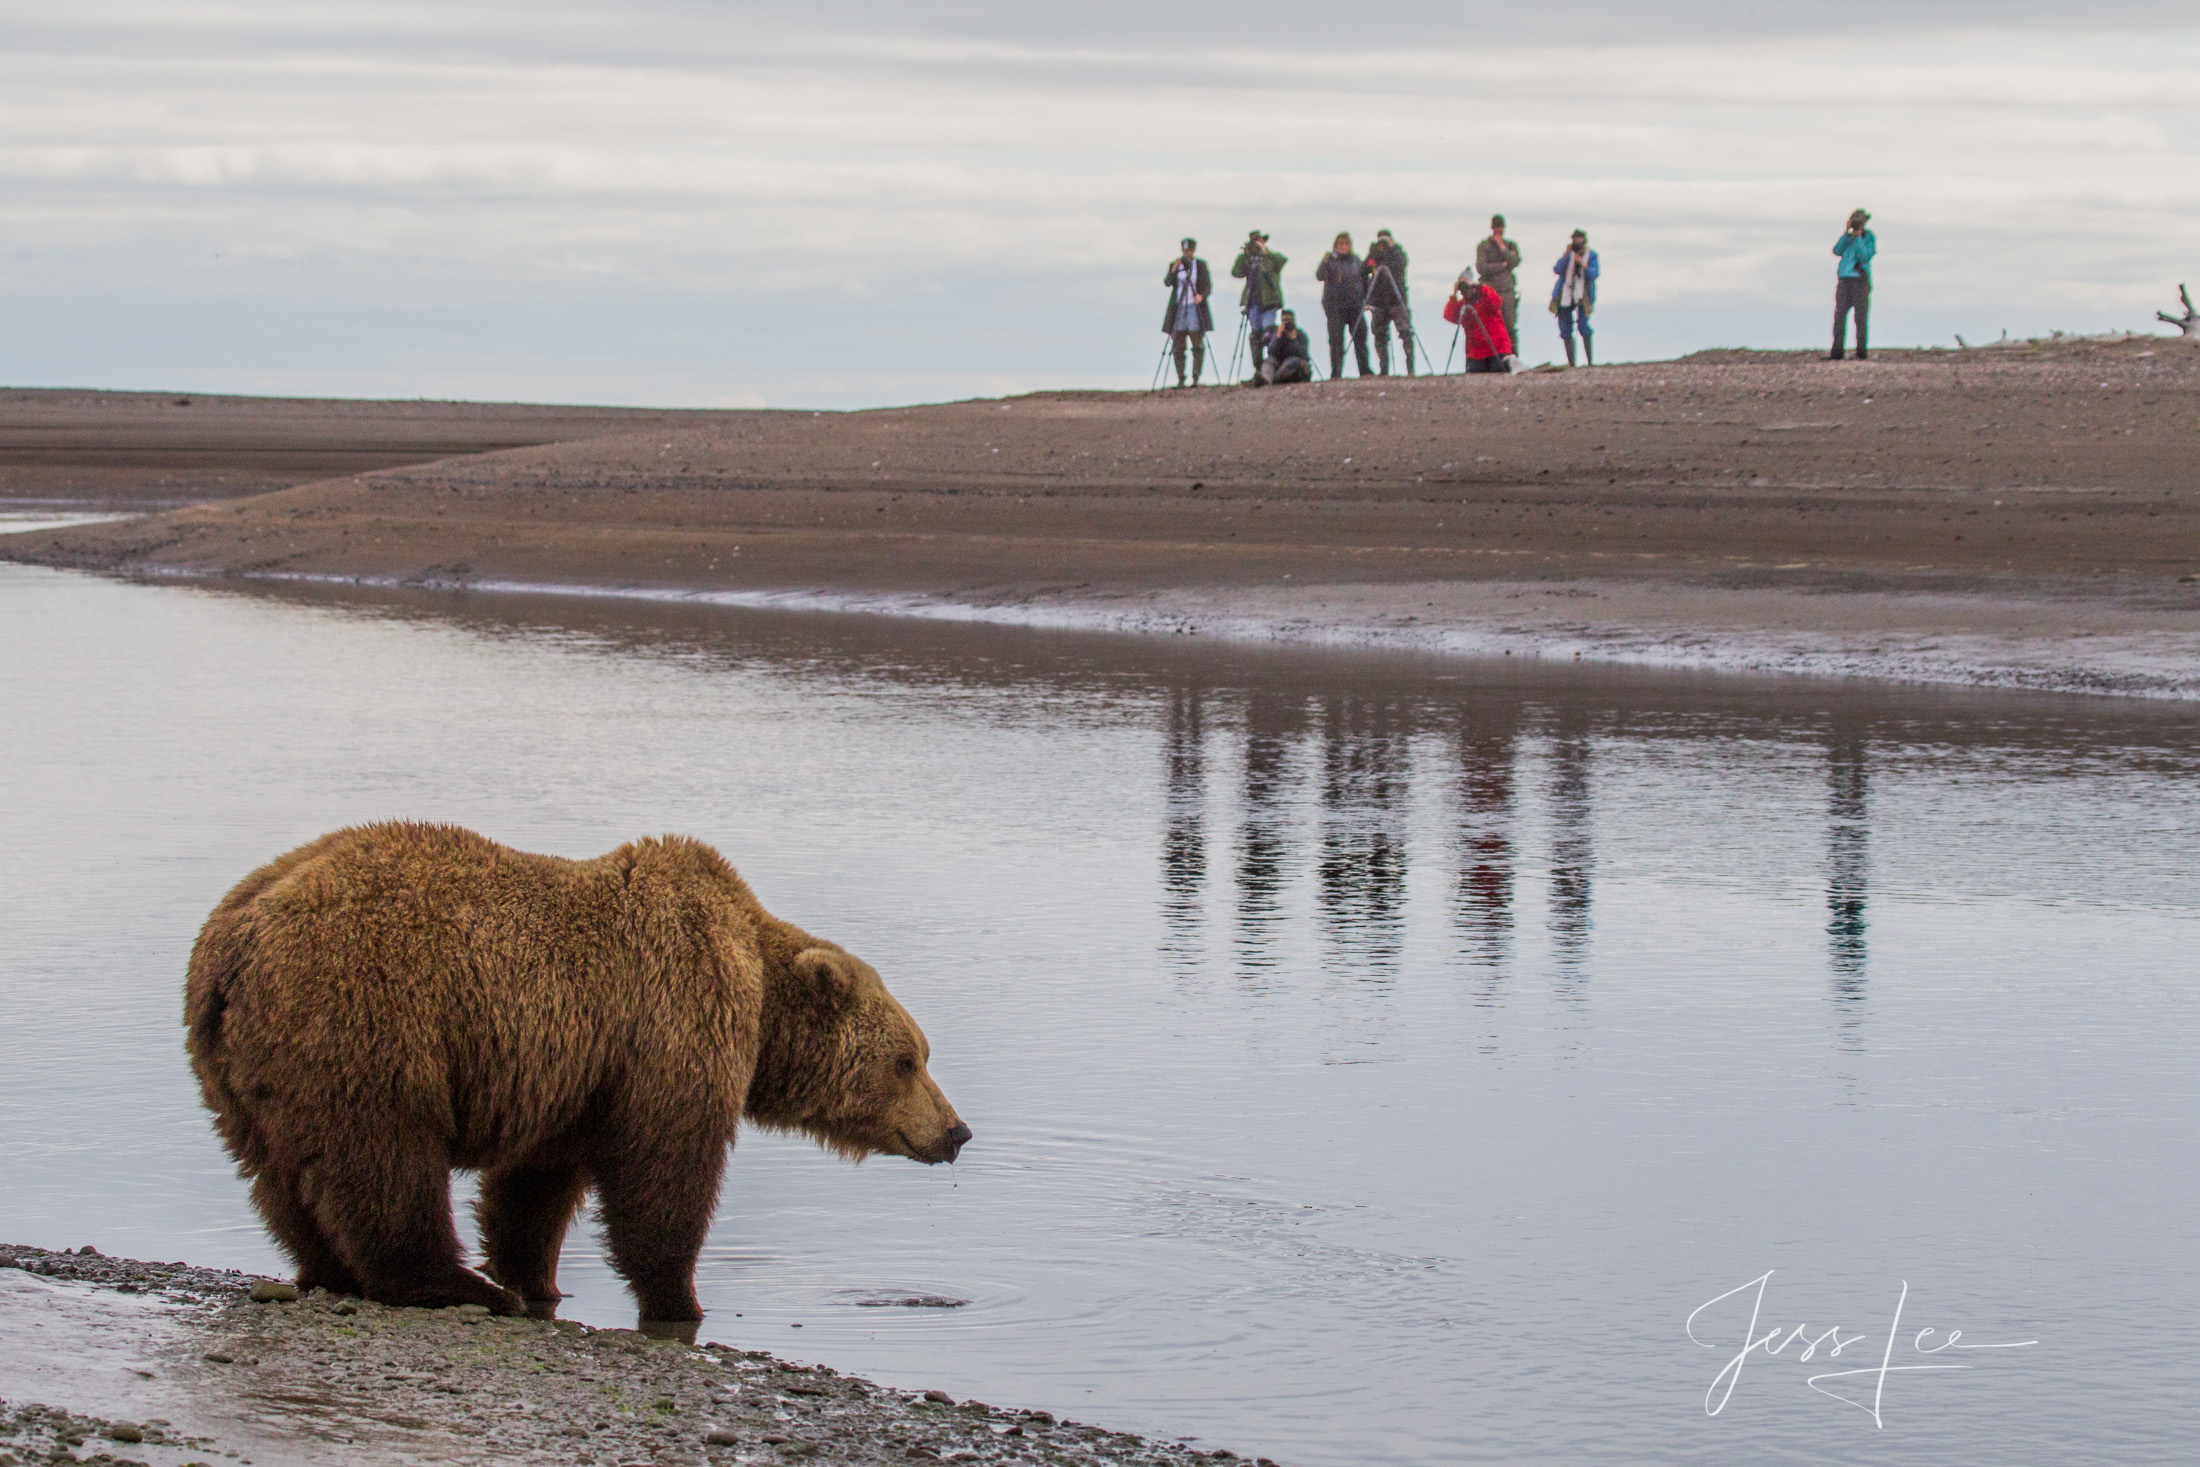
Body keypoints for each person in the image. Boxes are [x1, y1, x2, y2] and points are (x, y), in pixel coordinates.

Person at [1315, 232, 1373, 380]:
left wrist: (1367, 300)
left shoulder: (1356, 261)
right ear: (1335, 245)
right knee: (1336, 342)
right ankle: (1336, 373)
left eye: (1345, 244)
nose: (1342, 247)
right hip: (1335, 307)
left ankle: (1365, 371)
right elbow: (1319, 276)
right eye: (1340, 244)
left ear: (1350, 246)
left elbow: (1364, 281)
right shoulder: (1330, 260)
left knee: (1360, 339)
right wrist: (1326, 262)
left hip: (1355, 305)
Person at [1231, 231, 1287, 382]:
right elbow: (1236, 272)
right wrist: (1245, 255)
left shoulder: (1270, 257)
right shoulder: (1248, 258)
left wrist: (1265, 252)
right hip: (1252, 301)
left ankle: (1271, 368)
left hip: (1269, 301)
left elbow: (1281, 262)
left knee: (1269, 333)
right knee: (1256, 336)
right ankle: (1259, 370)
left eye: (1260, 241)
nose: (1257, 243)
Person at [1162, 237, 1213, 387]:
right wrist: (1173, 270)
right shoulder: (1175, 264)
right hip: (1178, 306)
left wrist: (1201, 296)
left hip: (1194, 307)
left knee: (1196, 340)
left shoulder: (1201, 265)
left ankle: (1196, 377)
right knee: (1178, 342)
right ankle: (1181, 377)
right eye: (1185, 250)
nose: (1187, 253)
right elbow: (1167, 283)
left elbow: (1208, 285)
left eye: (1189, 250)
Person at [1364, 228, 1414, 376]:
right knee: (1379, 335)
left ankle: (1410, 368)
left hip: (1396, 300)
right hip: (1379, 301)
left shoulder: (1398, 252)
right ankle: (1383, 369)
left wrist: (1390, 250)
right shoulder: (1374, 254)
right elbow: (1363, 270)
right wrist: (1373, 253)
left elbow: (1401, 264)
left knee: (1405, 332)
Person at [1830, 208, 1875, 361]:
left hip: (1860, 280)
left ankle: (1861, 352)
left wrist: (1858, 239)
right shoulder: (1847, 237)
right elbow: (1836, 250)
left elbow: (1865, 256)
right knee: (1839, 316)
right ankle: (1836, 352)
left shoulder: (1868, 237)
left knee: (1860, 317)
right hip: (1844, 280)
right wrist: (1847, 234)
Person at [1448, 269, 1514, 372]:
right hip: (1476, 353)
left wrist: (1480, 287)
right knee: (1475, 375)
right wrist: (1453, 296)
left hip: (1497, 348)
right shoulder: (1463, 305)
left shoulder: (1485, 296)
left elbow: (1497, 303)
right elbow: (1450, 317)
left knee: (1498, 372)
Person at [1550, 229, 1598, 367]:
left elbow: (1593, 274)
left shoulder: (1591, 255)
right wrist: (1566, 256)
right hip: (1566, 293)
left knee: (1583, 325)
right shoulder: (1568, 255)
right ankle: (1571, 363)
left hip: (1583, 295)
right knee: (1565, 328)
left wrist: (1582, 263)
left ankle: (1589, 362)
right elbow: (1557, 269)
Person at [1475, 214, 1523, 348]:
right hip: (1489, 292)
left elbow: (1514, 262)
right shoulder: (1484, 246)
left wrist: (1503, 248)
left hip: (1507, 291)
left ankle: (1513, 357)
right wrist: (1501, 266)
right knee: (1489, 327)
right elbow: (1481, 267)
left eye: (1500, 227)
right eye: (1496, 227)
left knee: (1510, 326)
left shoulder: (1510, 245)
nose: (1498, 230)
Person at [1254, 308, 1313, 386]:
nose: (1287, 324)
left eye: (1289, 321)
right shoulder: (1277, 334)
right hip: (1280, 363)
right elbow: (1271, 352)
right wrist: (1278, 338)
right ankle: (1266, 379)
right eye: (1284, 321)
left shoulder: (1301, 335)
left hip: (1294, 364)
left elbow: (1303, 355)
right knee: (1268, 361)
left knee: (1293, 362)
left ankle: (1275, 380)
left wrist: (1293, 339)